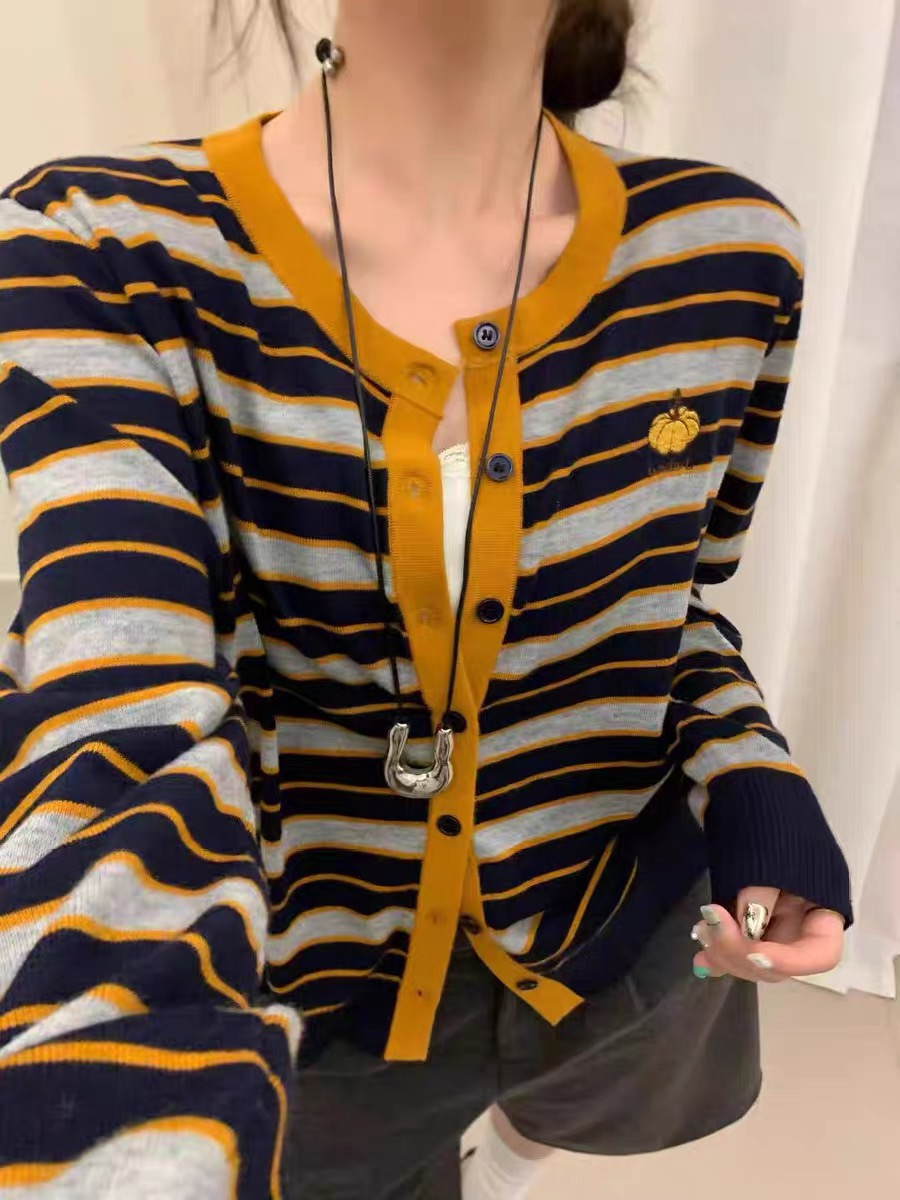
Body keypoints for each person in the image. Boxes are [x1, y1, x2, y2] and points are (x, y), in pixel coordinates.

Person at [0, 1, 852, 1197]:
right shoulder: (96, 246)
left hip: (625, 920)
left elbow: (676, 611)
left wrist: (757, 781)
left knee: (579, 1112)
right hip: (312, 973)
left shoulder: (731, 253)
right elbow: (117, 699)